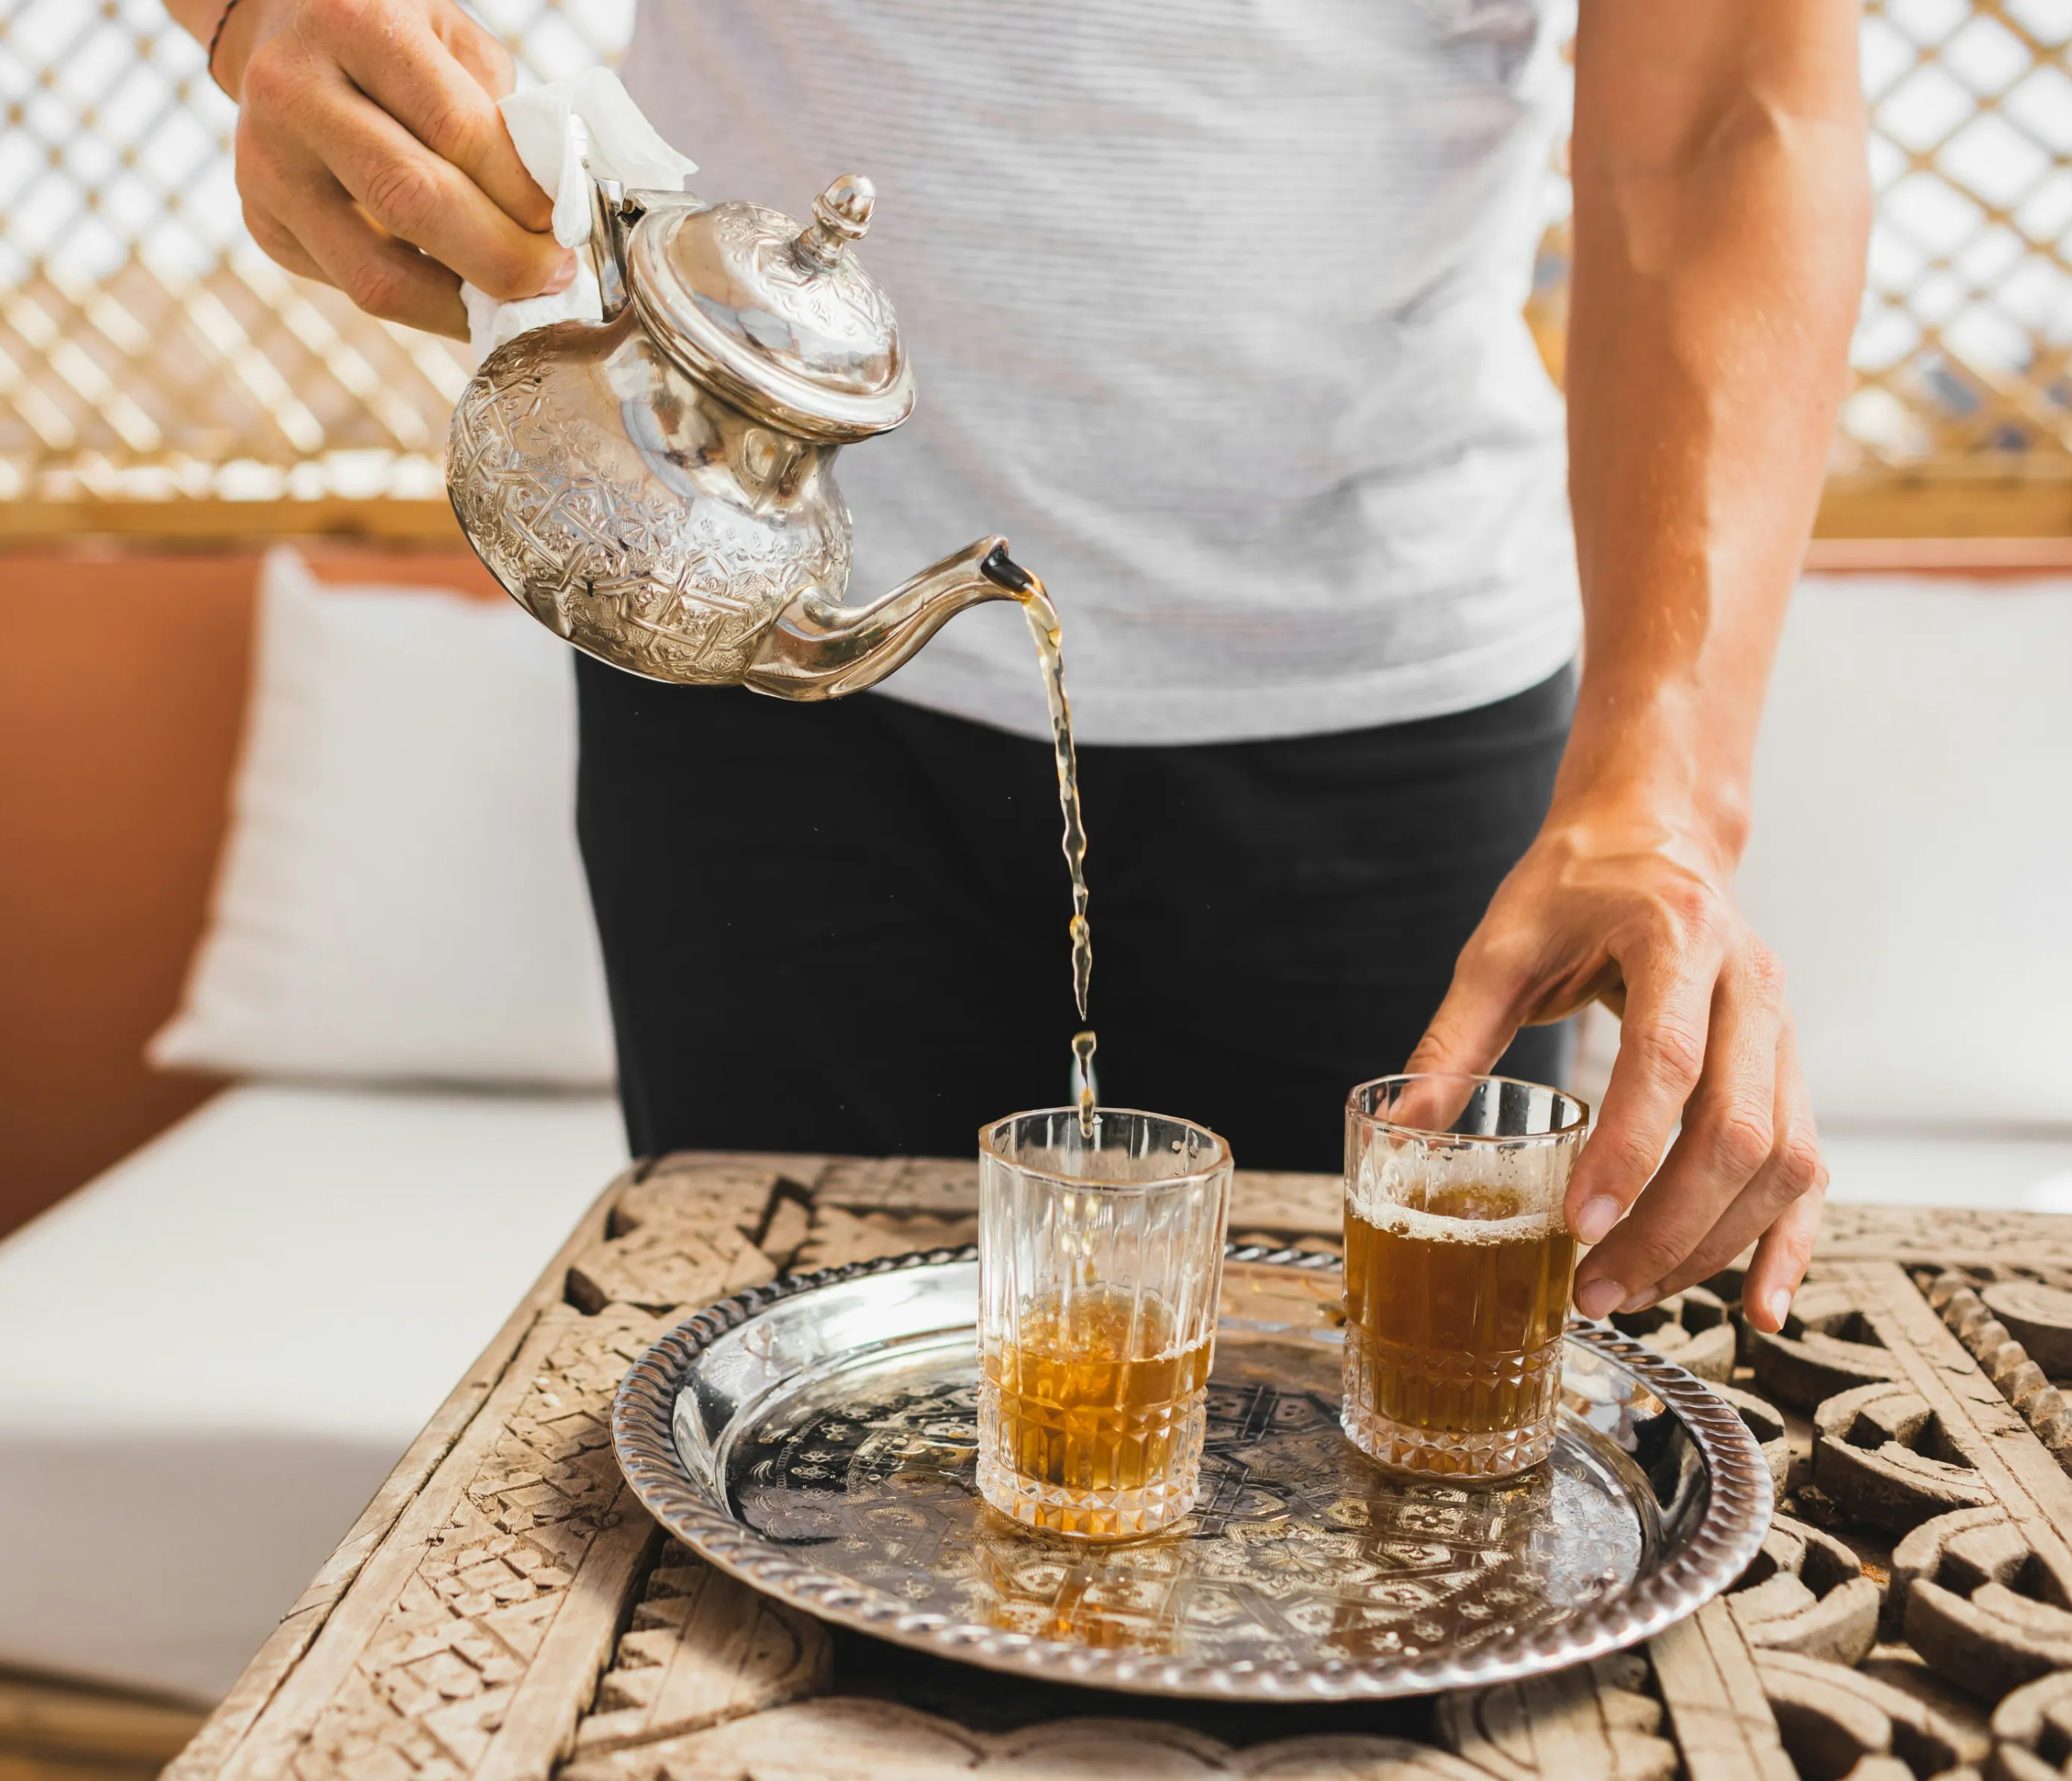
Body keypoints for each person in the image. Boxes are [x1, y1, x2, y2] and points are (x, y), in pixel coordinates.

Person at [168, 0, 1867, 1337]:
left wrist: (1667, 792)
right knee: (767, 1504)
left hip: (1396, 739)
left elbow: (1732, 110)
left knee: (1369, 1519)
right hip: (751, 663)